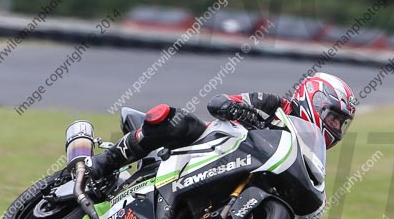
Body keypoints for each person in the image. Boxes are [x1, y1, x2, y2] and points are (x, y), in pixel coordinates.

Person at [87, 72, 356, 178]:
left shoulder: (305, 153)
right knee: (177, 120)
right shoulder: (274, 105)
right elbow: (219, 101)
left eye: (340, 123)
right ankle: (104, 162)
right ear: (315, 99)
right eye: (333, 117)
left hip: (233, 171)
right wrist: (236, 108)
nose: (334, 126)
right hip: (208, 145)